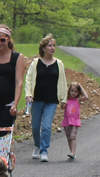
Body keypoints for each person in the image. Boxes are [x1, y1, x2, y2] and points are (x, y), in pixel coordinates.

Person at [25, 33, 67, 162]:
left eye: (53, 45)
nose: (52, 48)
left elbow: (63, 82)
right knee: (36, 126)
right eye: (49, 45)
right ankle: (37, 146)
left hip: (51, 100)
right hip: (37, 99)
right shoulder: (35, 63)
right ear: (43, 48)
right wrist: (28, 94)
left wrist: (64, 99)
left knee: (47, 126)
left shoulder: (59, 64)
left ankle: (44, 150)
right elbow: (29, 79)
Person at [61, 82, 89, 159]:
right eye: (72, 91)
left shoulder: (78, 100)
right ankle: (71, 152)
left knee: (72, 136)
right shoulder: (67, 99)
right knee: (68, 137)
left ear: (78, 93)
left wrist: (81, 87)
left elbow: (86, 97)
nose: (73, 93)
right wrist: (62, 105)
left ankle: (73, 152)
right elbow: (62, 107)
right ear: (69, 91)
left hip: (74, 121)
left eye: (75, 91)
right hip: (67, 121)